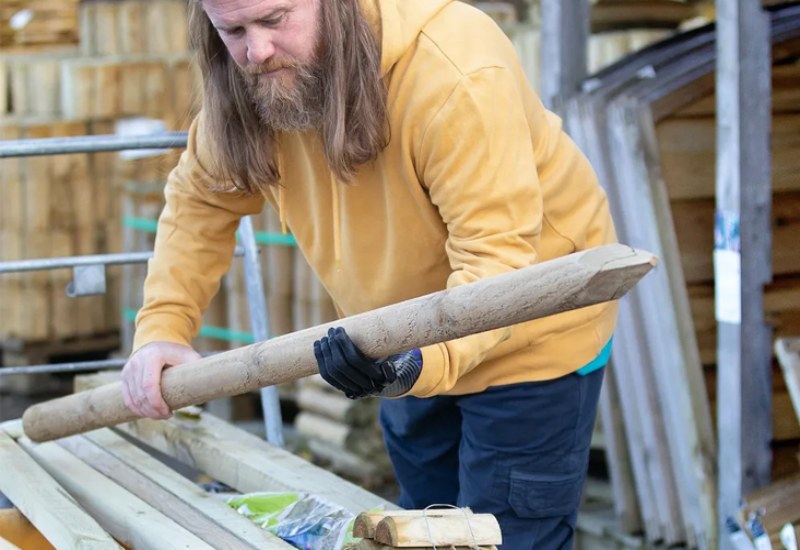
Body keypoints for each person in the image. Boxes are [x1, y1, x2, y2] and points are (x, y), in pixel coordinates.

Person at [121, 0, 618, 547]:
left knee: (504, 540)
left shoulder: (454, 72)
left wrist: (413, 364)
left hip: (530, 333)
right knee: (425, 534)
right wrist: (163, 328)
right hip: (402, 335)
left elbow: (497, 267)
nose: (256, 51)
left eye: (274, 20)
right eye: (233, 29)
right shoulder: (252, 78)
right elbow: (199, 204)